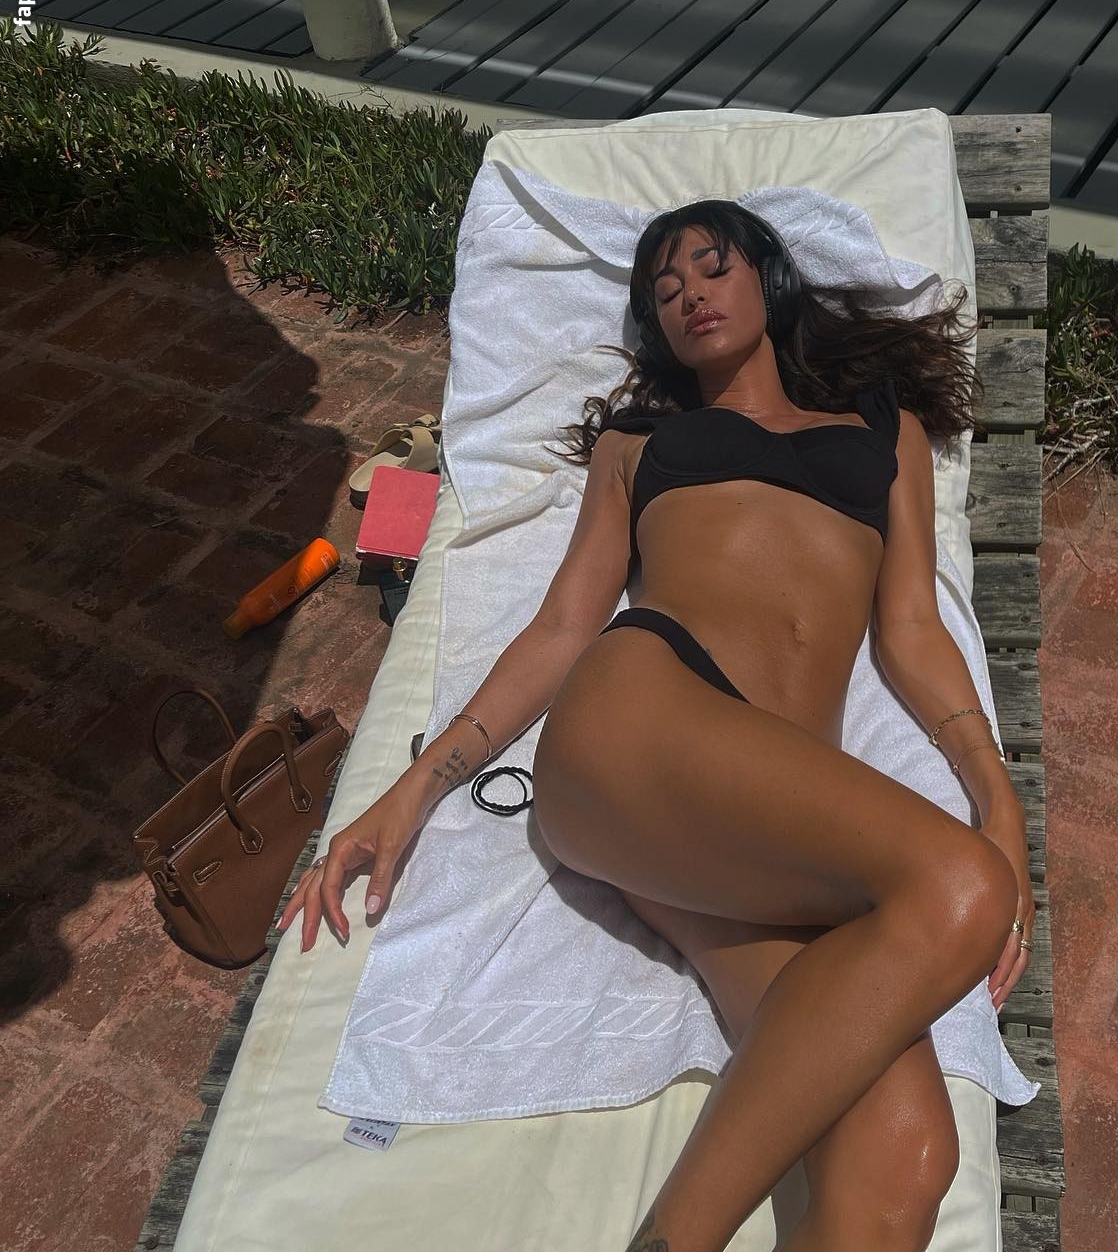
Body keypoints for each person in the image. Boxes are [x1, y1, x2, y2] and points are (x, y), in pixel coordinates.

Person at [278, 200, 1034, 1252]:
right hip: (644, 718)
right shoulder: (638, 445)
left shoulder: (881, 428)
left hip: (755, 827)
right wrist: (416, 787)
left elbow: (911, 629)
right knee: (962, 888)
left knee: (904, 1154)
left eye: (712, 269)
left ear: (768, 280)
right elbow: (561, 628)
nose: (689, 297)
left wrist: (997, 796)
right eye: (664, 290)